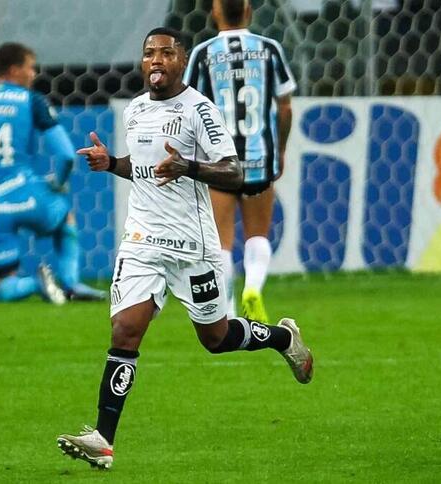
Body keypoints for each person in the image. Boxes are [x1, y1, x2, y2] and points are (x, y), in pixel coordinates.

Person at [56, 28, 313, 470]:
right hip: (142, 240)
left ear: (181, 62)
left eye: (166, 53)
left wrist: (189, 166)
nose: (156, 60)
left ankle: (283, 338)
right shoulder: (135, 111)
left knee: (216, 338)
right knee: (125, 331)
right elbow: (144, 169)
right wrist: (111, 163)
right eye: (149, 54)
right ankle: (103, 440)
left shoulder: (200, 111)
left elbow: (234, 172)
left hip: (193, 246)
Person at [0, 42, 106, 304]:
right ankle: (71, 284)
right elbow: (66, 155)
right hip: (27, 194)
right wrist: (58, 183)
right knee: (65, 217)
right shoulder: (29, 101)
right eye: (30, 67)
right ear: (15, 70)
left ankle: (33, 284)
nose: (34, 74)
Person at [182, 0, 296, 322]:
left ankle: (229, 313)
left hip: (220, 162)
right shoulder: (269, 49)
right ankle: (254, 288)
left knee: (221, 242)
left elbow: (187, 106)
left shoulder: (203, 54)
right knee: (258, 235)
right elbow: (285, 107)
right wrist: (282, 149)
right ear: (248, 11)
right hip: (260, 157)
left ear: (215, 12)